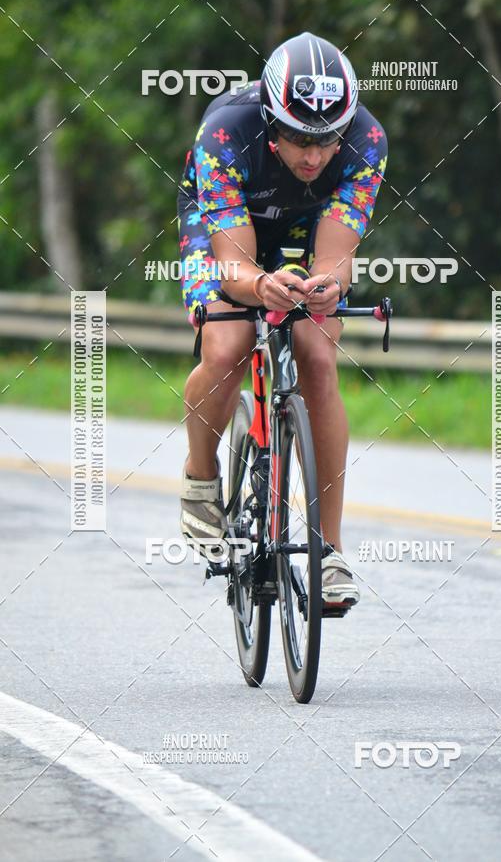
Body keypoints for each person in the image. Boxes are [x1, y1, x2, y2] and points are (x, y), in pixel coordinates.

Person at [177, 32, 387, 611]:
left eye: (327, 138)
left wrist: (327, 287)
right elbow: (233, 269)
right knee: (227, 345)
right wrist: (258, 286)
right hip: (227, 223)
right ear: (271, 121)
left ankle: (329, 552)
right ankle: (200, 478)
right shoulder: (226, 131)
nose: (314, 155)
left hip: (308, 226)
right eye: (298, 137)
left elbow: (335, 258)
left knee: (317, 354)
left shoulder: (367, 140)